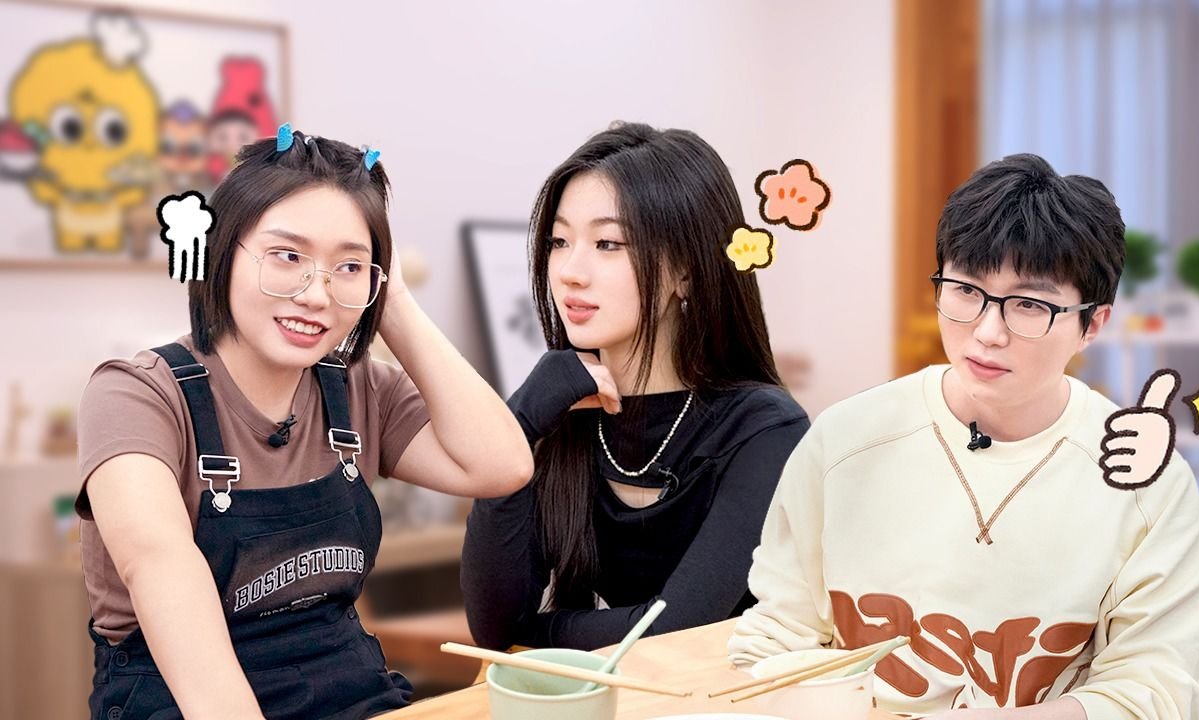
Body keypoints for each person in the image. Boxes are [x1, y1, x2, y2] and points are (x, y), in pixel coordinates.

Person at [729, 153, 1199, 719]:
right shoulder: (844, 442)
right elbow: (777, 635)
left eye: (1028, 304)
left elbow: (1154, 691)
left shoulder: (1146, 483)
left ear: (1092, 324)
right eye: (965, 290)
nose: (987, 332)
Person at [76, 125, 533, 719]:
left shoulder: (359, 387)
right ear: (221, 251)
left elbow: (502, 465)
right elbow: (158, 565)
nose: (316, 294)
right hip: (184, 699)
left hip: (347, 690)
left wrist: (391, 301)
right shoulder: (135, 393)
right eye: (288, 256)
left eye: (349, 266)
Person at [461, 122, 810, 651]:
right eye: (559, 241)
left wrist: (531, 633)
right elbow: (491, 626)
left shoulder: (765, 429)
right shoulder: (560, 415)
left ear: (685, 271)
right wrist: (521, 422)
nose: (570, 271)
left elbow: (673, 630)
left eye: (607, 243)